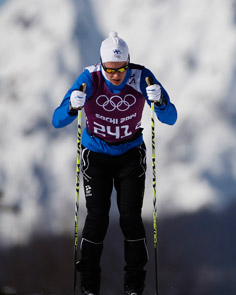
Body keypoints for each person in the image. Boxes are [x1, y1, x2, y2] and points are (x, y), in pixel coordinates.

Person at [52, 31, 177, 295]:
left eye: (121, 68)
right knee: (97, 218)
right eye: (110, 70)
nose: (116, 75)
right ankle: (88, 287)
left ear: (129, 63)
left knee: (130, 217)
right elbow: (57, 119)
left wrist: (161, 101)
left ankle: (134, 287)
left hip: (130, 155)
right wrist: (72, 107)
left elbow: (171, 117)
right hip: (96, 155)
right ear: (101, 64)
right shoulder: (90, 78)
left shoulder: (142, 77)